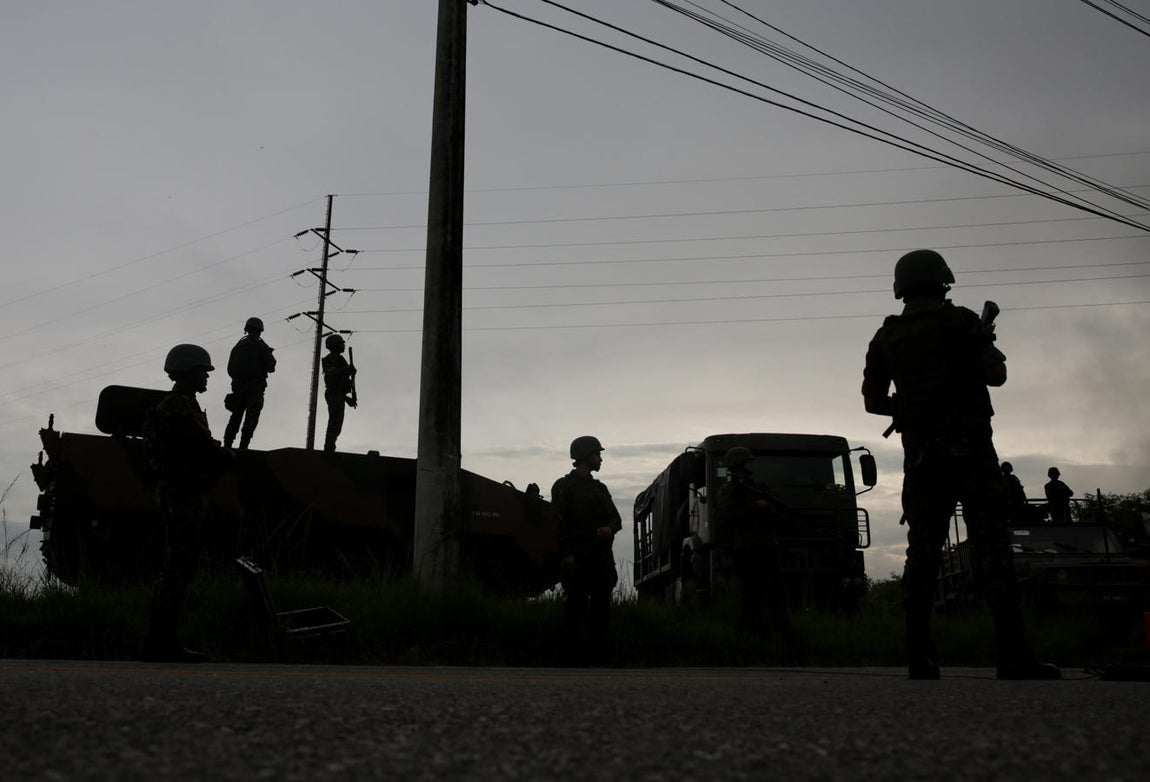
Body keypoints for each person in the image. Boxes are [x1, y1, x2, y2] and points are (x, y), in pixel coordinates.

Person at [861, 249, 1059, 680]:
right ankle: (1012, 656)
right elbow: (997, 375)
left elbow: (873, 402)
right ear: (941, 281)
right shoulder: (963, 322)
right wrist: (982, 347)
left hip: (922, 459)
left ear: (901, 287)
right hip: (971, 453)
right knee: (993, 552)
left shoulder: (885, 337)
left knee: (922, 555)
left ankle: (919, 658)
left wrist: (910, 406)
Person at [141, 344, 232, 662]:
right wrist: (227, 456)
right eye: (201, 371)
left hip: (179, 493)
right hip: (182, 495)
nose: (206, 377)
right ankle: (161, 644)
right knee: (178, 569)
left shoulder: (175, 404)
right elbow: (202, 448)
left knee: (176, 568)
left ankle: (160, 642)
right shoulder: (179, 406)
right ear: (185, 371)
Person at [550, 436, 622, 665]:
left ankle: (599, 660)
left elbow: (616, 519)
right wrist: (567, 555)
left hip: (600, 559)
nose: (600, 459)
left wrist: (608, 529)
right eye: (597, 454)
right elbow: (558, 524)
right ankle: (569, 661)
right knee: (575, 610)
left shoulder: (600, 488)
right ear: (586, 456)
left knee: (601, 612)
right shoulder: (563, 487)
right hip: (577, 559)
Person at [716, 446, 791, 636]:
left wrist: (769, 510)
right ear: (740, 465)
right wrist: (754, 507)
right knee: (751, 593)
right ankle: (755, 633)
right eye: (749, 462)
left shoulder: (756, 487)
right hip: (747, 548)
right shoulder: (729, 490)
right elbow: (728, 516)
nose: (752, 464)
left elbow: (773, 514)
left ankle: (780, 632)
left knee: (776, 592)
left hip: (767, 546)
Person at [222, 316, 276, 450]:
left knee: (235, 418)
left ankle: (227, 445)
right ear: (260, 331)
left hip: (239, 388)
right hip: (254, 389)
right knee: (250, 419)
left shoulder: (238, 346)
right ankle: (243, 447)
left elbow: (230, 369)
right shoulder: (261, 346)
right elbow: (272, 366)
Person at [321, 333, 356, 452]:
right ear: (335, 345)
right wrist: (347, 370)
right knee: (334, 422)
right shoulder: (331, 358)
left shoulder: (340, 359)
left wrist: (347, 399)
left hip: (338, 394)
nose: (343, 346)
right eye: (341, 343)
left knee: (337, 423)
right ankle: (329, 447)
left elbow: (340, 383)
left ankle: (330, 446)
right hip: (334, 394)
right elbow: (332, 374)